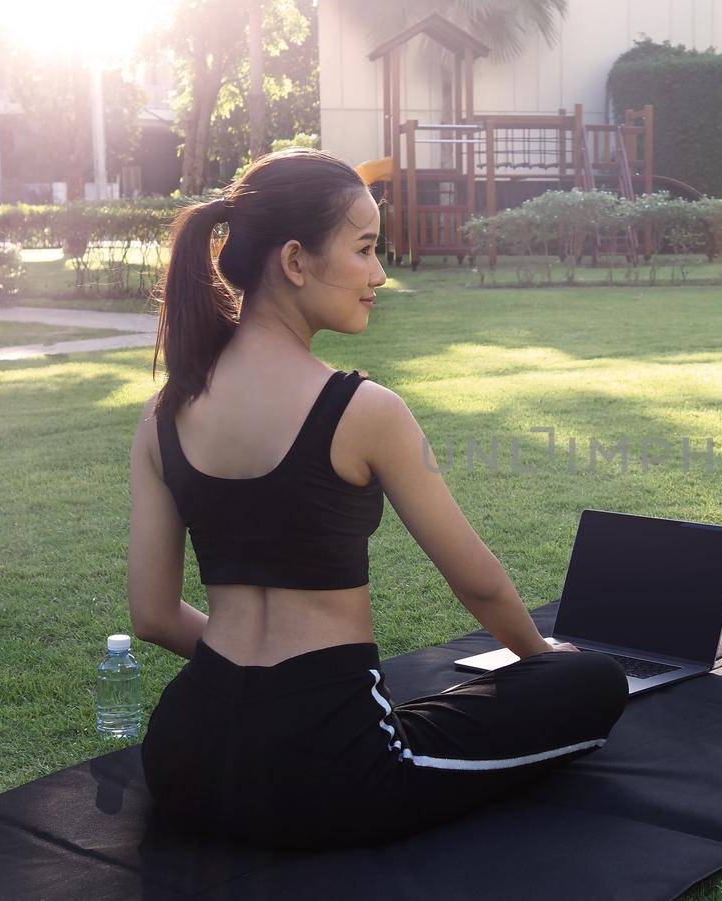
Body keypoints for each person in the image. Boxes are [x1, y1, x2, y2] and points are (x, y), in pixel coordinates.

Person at [125, 148, 627, 850]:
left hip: (183, 758)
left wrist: (250, 682)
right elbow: (478, 580)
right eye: (364, 250)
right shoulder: (365, 410)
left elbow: (150, 614)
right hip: (328, 769)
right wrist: (543, 655)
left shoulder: (161, 413)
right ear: (295, 262)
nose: (379, 274)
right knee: (596, 682)